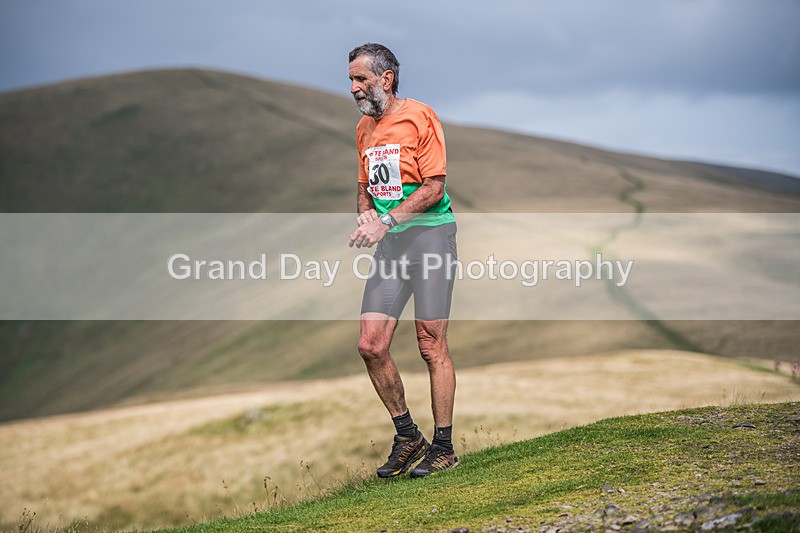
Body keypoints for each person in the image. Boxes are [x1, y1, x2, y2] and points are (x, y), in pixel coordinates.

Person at [347, 43, 459, 478]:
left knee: (431, 343)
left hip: (431, 237)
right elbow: (363, 185)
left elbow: (433, 187)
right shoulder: (362, 128)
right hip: (391, 245)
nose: (353, 88)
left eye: (360, 79)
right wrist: (366, 212)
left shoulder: (420, 116)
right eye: (351, 80)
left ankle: (445, 447)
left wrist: (386, 220)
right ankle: (409, 436)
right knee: (370, 345)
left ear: (386, 78)